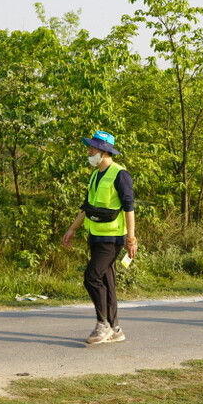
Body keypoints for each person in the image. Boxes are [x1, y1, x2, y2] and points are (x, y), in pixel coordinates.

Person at [62, 130, 137, 344]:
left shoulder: (120, 174)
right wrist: (72, 229)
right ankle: (115, 328)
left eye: (92, 148)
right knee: (107, 281)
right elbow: (87, 207)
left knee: (91, 277)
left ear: (104, 151)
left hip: (112, 238)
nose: (89, 151)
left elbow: (129, 208)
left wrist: (131, 239)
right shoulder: (95, 174)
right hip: (95, 235)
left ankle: (102, 324)